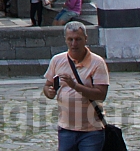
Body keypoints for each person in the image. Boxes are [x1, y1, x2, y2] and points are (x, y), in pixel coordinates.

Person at [42, 21, 110, 151]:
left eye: (78, 39)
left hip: (91, 130)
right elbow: (47, 85)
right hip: (66, 128)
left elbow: (101, 94)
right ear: (65, 40)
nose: (74, 44)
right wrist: (49, 92)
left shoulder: (97, 63)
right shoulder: (57, 60)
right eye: (70, 39)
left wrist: (75, 86)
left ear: (85, 39)